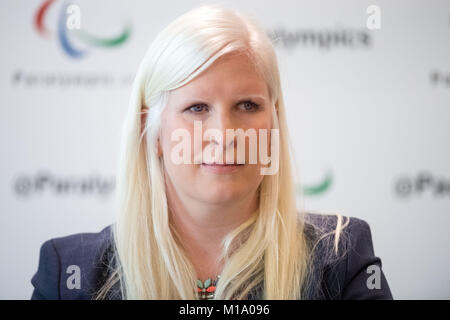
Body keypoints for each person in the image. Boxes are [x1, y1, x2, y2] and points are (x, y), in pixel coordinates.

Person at [30, 4, 393, 300]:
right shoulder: (69, 274)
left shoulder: (341, 257)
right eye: (197, 108)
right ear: (151, 131)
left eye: (248, 106)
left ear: (275, 122)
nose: (224, 135)